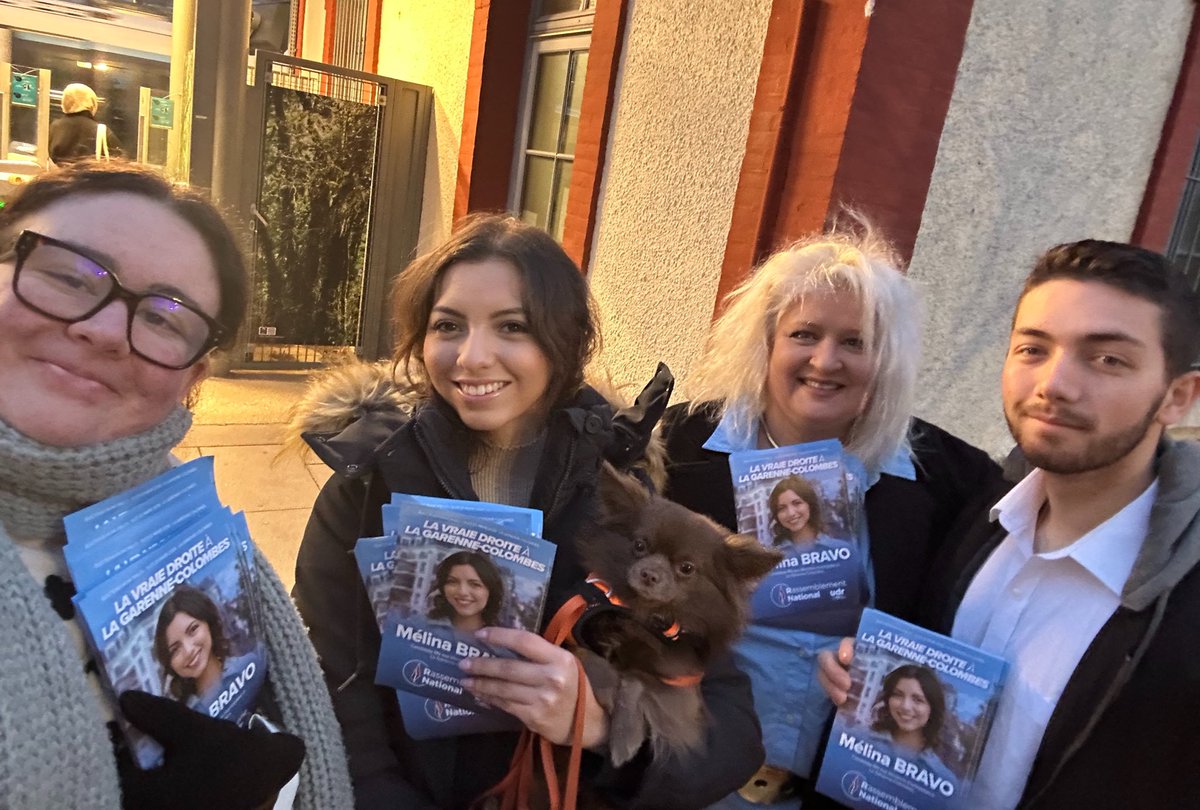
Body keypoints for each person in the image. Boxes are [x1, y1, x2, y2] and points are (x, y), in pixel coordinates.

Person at [291, 213, 764, 809]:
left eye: (512, 327)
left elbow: (729, 726)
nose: (473, 356)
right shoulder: (365, 484)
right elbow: (330, 679)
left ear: (564, 343)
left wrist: (599, 728)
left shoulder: (623, 500)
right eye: (448, 325)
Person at [0, 161, 352, 808]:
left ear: (195, 377)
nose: (103, 330)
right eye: (68, 276)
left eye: (165, 319)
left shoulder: (191, 529)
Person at [820, 240, 1200, 808]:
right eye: (1033, 349)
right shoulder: (977, 514)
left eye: (1108, 359)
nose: (1055, 384)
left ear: (1178, 396)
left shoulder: (1183, 602)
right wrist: (865, 681)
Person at [658, 219, 1000, 807]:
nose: (825, 359)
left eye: (854, 342)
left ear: (883, 359)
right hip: (684, 781)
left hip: (840, 793)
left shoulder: (943, 476)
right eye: (804, 334)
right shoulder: (678, 449)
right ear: (766, 340)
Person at [153, 584, 263, 713]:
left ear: (209, 624)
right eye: (175, 649)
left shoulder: (249, 665)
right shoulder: (185, 718)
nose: (188, 651)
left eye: (193, 629)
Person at [428, 550, 504, 634]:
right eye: (453, 582)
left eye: (475, 584)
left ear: (491, 591)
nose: (462, 592)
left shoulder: (500, 642)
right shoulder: (417, 626)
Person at [49, 83, 123, 166]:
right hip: (89, 178)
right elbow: (121, 163)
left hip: (58, 178)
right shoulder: (101, 131)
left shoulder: (54, 127)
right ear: (92, 103)